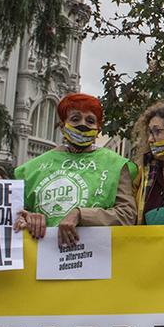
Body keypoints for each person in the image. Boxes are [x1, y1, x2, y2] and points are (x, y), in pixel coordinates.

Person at [15, 94, 137, 238]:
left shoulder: (116, 165)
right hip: (42, 253)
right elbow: (15, 214)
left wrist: (81, 214)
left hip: (95, 254)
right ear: (62, 126)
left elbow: (127, 215)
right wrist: (28, 218)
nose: (83, 125)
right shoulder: (30, 169)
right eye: (75, 119)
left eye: (90, 121)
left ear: (98, 129)